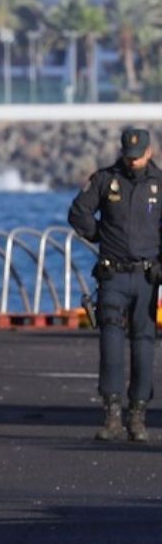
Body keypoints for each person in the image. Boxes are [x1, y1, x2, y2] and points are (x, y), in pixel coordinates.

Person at [69, 127, 162, 442]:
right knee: (110, 342)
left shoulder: (159, 185)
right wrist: (99, 237)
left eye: (138, 157)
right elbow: (78, 213)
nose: (132, 162)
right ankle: (111, 413)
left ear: (149, 152)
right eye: (128, 156)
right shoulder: (105, 180)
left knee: (144, 344)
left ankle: (137, 414)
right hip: (112, 275)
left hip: (146, 276)